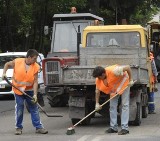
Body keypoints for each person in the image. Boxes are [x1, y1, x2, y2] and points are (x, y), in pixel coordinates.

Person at [2, 49, 48, 135]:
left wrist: (35, 95)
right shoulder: (18, 62)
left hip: (29, 90)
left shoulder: (35, 66)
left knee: (34, 108)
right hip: (18, 90)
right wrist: (4, 73)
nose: (35, 60)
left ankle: (38, 127)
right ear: (29, 57)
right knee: (20, 107)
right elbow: (7, 64)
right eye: (34, 58)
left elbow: (35, 81)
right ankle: (18, 128)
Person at [92, 65, 133, 135]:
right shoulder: (98, 79)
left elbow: (128, 67)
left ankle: (124, 128)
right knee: (112, 106)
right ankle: (113, 127)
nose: (99, 79)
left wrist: (131, 80)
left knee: (124, 105)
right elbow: (97, 91)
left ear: (103, 74)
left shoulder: (114, 71)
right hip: (114, 88)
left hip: (124, 83)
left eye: (99, 77)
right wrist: (97, 103)